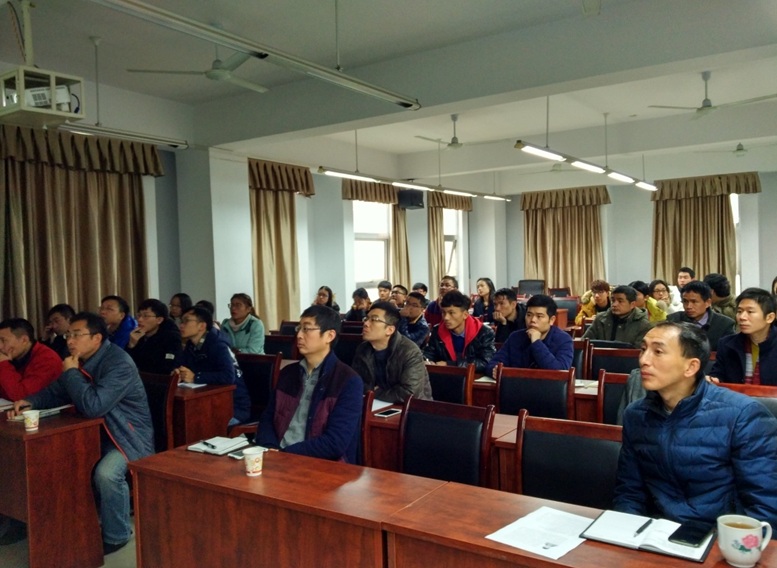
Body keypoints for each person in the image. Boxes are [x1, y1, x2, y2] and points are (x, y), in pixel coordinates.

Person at [9, 312, 154, 554]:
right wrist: (31, 401)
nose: (70, 340)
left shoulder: (118, 363)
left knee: (107, 474)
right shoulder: (80, 359)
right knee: (53, 460)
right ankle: (59, 526)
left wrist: (71, 373)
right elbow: (56, 391)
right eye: (69, 335)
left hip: (127, 436)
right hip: (92, 434)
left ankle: (117, 534)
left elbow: (94, 406)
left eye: (77, 335)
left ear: (97, 338)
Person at [613, 321, 777, 531]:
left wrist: (731, 543)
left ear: (691, 367)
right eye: (643, 349)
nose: (644, 360)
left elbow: (765, 506)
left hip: (719, 537)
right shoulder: (636, 415)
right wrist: (626, 534)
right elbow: (629, 492)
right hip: (655, 534)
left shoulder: (742, 415)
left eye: (658, 352)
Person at [256, 305, 363, 463]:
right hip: (277, 456)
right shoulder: (288, 373)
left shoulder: (348, 381)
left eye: (306, 329)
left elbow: (335, 442)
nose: (299, 335)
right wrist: (270, 448)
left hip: (319, 463)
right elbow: (267, 418)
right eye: (299, 328)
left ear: (329, 336)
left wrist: (285, 454)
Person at [175, 306, 250, 424]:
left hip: (232, 406)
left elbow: (228, 377)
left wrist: (195, 377)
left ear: (202, 326)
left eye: (186, 321)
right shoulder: (191, 345)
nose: (181, 325)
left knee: (197, 424)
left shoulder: (218, 345)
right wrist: (178, 373)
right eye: (181, 321)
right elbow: (182, 365)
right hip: (206, 401)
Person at [352, 301, 432, 403]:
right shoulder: (363, 349)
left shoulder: (410, 352)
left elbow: (409, 393)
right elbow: (356, 382)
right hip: (375, 404)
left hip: (412, 408)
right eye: (366, 319)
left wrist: (375, 393)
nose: (366, 324)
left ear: (390, 330)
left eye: (374, 319)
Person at [486, 294, 573, 376]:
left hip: (548, 386)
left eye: (539, 316)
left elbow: (560, 372)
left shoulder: (564, 340)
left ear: (551, 320)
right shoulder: (516, 337)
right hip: (517, 385)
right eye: (529, 315)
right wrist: (494, 370)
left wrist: (536, 342)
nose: (533, 320)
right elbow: (493, 363)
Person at [711, 288, 777, 386]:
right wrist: (714, 379)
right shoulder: (726, 344)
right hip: (734, 396)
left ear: (769, 317)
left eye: (750, 312)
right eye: (739, 311)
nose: (742, 317)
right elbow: (718, 374)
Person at [423, 290, 496, 375]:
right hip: (444, 378)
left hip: (474, 378)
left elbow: (486, 362)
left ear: (465, 314)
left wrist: (451, 365)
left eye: (451, 313)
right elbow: (428, 354)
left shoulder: (484, 332)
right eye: (443, 312)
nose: (446, 317)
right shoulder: (437, 330)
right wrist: (426, 361)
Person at [0, 318, 61, 401]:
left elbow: (23, 396)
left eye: (3, 340)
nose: (0, 346)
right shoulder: (15, 355)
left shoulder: (47, 359)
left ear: (24, 340)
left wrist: (4, 365)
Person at [667, 280, 735, 350]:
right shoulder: (673, 320)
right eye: (685, 301)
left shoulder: (725, 324)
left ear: (707, 302)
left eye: (694, 302)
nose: (688, 306)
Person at [582, 285, 653, 347]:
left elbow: (639, 351)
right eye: (613, 300)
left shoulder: (644, 325)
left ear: (632, 304)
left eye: (620, 301)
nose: (614, 304)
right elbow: (584, 343)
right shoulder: (600, 319)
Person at [126, 298, 182, 374]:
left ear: (159, 320)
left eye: (146, 316)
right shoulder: (137, 335)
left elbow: (167, 368)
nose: (140, 319)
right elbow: (125, 364)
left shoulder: (171, 338)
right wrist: (131, 345)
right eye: (139, 315)